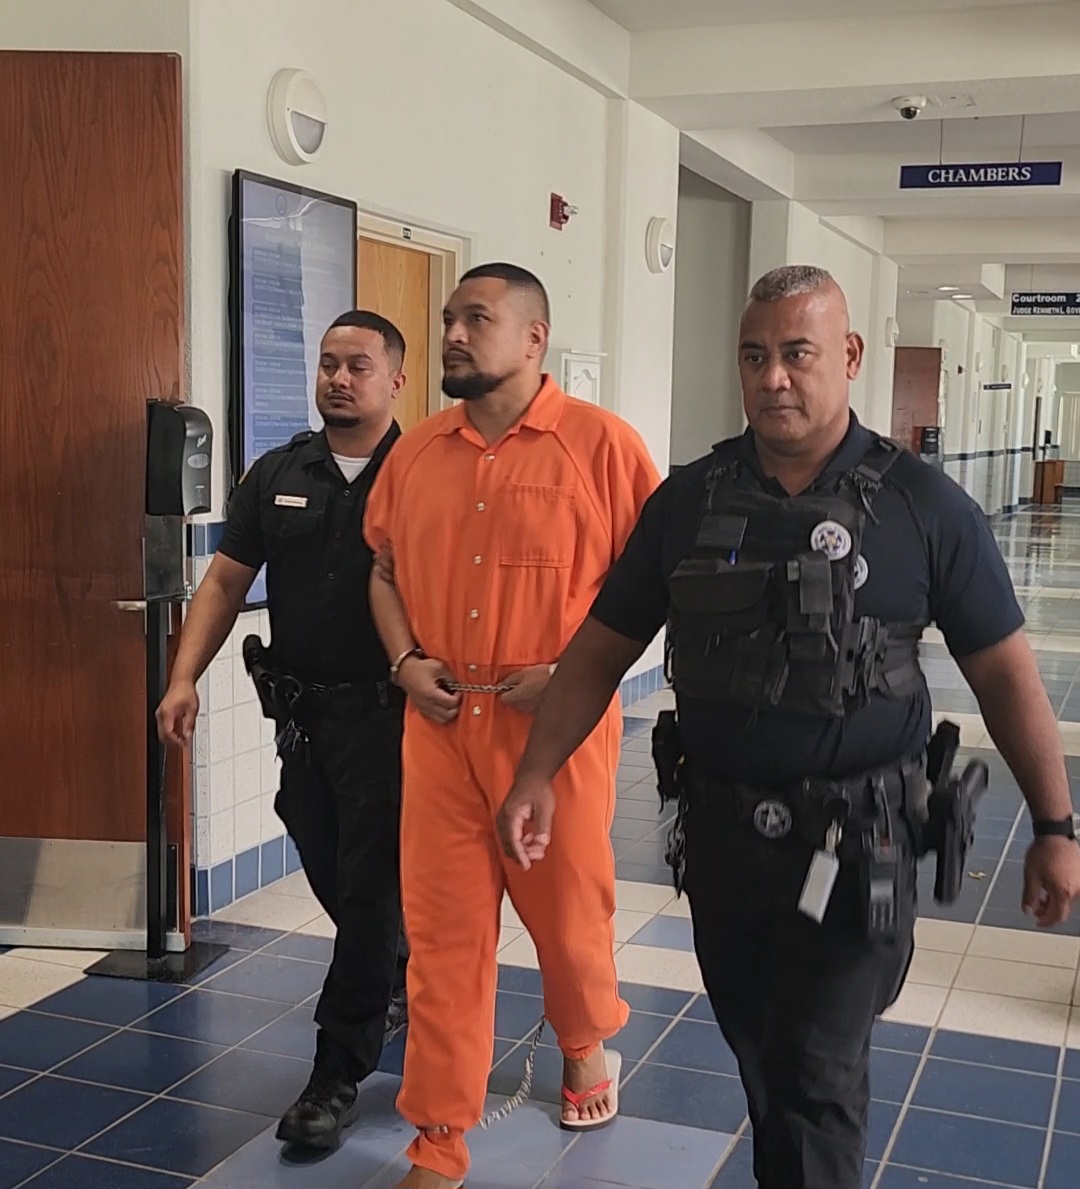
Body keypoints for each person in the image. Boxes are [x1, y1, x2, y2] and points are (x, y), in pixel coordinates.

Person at [498, 265, 1080, 1189]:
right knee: (764, 1053)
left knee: (816, 1072)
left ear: (847, 356)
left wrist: (1054, 826)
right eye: (755, 356)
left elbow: (1006, 672)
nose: (774, 376)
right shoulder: (688, 502)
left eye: (797, 354)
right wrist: (535, 772)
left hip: (859, 849)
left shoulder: (924, 508)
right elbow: (600, 650)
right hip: (729, 846)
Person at [363, 262, 661, 1189]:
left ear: (533, 338)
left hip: (556, 735)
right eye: (449, 318)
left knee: (570, 919)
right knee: (446, 936)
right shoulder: (413, 453)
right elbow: (383, 570)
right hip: (441, 726)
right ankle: (440, 1138)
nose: (453, 333)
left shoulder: (603, 447)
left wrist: (575, 672)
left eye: (475, 319)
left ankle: (582, 1039)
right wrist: (405, 661)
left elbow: (648, 588)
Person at [156, 310, 411, 1152]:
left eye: (359, 366)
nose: (340, 378)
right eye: (329, 363)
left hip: (391, 724)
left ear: (395, 380)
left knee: (369, 891)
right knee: (332, 865)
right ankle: (394, 969)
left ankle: (337, 1072)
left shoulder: (423, 475)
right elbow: (227, 581)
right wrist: (183, 674)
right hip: (303, 724)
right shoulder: (276, 473)